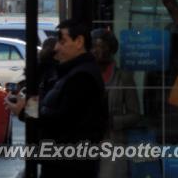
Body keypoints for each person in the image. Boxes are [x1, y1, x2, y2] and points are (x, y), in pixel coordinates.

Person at [6, 19, 107, 178]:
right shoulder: (69, 73)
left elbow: (59, 121)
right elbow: (51, 110)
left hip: (69, 167)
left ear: (79, 41)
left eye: (62, 41)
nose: (57, 47)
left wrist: (24, 111)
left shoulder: (81, 77)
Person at [92, 28, 140, 178]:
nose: (96, 51)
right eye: (93, 46)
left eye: (101, 46)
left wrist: (111, 122)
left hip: (113, 143)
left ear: (111, 49)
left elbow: (135, 114)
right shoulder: (85, 75)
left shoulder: (123, 77)